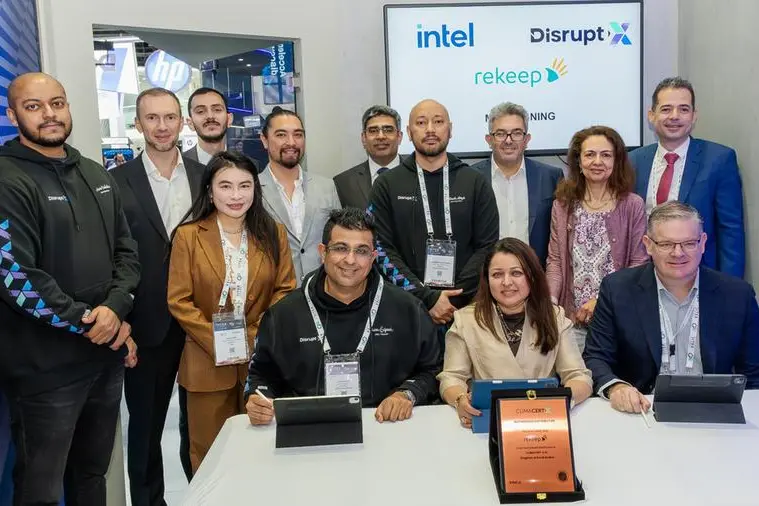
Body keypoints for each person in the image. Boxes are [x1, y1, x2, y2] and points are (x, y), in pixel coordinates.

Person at [0, 72, 140, 505]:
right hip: (45, 371)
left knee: (91, 477)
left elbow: (126, 253)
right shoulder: (7, 179)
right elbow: (16, 277)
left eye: (57, 103)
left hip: (103, 361)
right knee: (39, 491)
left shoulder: (95, 174)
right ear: (13, 115)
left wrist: (116, 310)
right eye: (34, 106)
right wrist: (91, 321)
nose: (49, 114)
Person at [245, 208, 441, 425]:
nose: (350, 260)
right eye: (340, 248)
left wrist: (407, 394)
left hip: (386, 425)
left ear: (373, 257)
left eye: (362, 251)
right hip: (308, 427)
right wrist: (257, 399)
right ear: (323, 252)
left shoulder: (408, 310)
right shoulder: (283, 315)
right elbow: (260, 376)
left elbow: (433, 370)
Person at [168, 151, 295, 472]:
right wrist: (218, 340)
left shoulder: (274, 233)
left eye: (244, 185)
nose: (236, 195)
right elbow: (179, 300)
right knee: (210, 456)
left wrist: (253, 336)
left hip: (261, 361)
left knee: (261, 455)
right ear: (210, 191)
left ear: (255, 189)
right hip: (206, 362)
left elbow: (285, 290)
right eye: (225, 186)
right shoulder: (188, 236)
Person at [111, 87, 205, 499]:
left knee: (205, 424)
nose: (162, 126)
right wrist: (122, 322)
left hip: (203, 322)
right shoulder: (114, 182)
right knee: (145, 430)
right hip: (147, 324)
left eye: (170, 117)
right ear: (138, 124)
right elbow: (111, 255)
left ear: (182, 121)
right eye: (152, 118)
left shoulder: (206, 177)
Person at [584, 202, 759, 414]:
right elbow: (596, 357)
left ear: (703, 243)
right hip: (643, 410)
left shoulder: (737, 295)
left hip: (714, 410)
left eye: (689, 243)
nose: (678, 253)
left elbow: (754, 372)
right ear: (648, 245)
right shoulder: (618, 289)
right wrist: (616, 387)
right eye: (666, 244)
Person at [368, 99, 499, 329]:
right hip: (406, 308)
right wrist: (426, 298)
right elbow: (380, 248)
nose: (430, 129)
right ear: (409, 133)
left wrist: (452, 298)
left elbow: (488, 246)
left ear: (450, 129)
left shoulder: (475, 182)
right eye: (421, 123)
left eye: (438, 122)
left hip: (466, 309)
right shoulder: (386, 185)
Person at [438, 238, 592, 428]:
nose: (506, 282)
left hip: (542, 422)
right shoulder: (466, 320)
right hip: (488, 423)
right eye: (497, 274)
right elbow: (451, 378)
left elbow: (579, 377)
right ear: (487, 279)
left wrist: (561, 400)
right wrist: (460, 399)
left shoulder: (555, 317)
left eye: (516, 273)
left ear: (532, 276)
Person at [629, 77, 745, 278]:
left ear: (694, 116)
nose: (675, 116)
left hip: (699, 276)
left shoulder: (719, 159)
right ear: (651, 115)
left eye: (683, 109)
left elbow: (730, 230)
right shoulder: (634, 160)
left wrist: (730, 286)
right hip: (643, 276)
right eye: (666, 109)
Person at [546, 126, 648, 352]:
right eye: (590, 154)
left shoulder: (632, 205)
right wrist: (550, 303)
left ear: (616, 161)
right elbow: (555, 261)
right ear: (579, 161)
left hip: (617, 320)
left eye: (606, 155)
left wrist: (601, 301)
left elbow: (638, 265)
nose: (597, 161)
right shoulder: (562, 205)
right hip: (572, 321)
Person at [470, 102, 563, 267]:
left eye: (517, 133)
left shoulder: (551, 177)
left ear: (527, 139)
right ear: (489, 140)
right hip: (485, 274)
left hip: (536, 273)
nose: (508, 140)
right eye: (500, 134)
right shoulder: (470, 178)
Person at [258, 107, 341, 286]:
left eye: (298, 135)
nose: (291, 142)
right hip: (275, 292)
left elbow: (339, 240)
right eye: (281, 135)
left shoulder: (326, 186)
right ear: (264, 140)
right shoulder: (252, 190)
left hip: (323, 289)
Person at [333, 105, 404, 209]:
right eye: (373, 131)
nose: (381, 136)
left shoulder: (418, 171)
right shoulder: (343, 183)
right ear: (363, 138)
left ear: (399, 137)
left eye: (388, 130)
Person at [184, 87, 233, 166]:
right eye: (200, 111)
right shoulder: (176, 166)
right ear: (190, 123)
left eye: (217, 110)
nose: (210, 116)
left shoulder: (249, 167)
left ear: (229, 119)